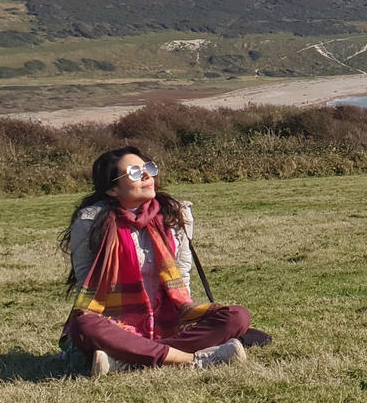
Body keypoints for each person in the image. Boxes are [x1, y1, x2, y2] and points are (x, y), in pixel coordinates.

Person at [60, 145, 260, 375]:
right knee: (85, 325)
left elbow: (181, 275)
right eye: (134, 173)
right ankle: (193, 359)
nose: (147, 175)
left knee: (237, 316)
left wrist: (186, 314)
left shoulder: (176, 213)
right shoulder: (90, 222)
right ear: (113, 190)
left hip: (169, 321)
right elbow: (86, 282)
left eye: (148, 168)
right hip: (116, 323)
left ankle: (125, 359)